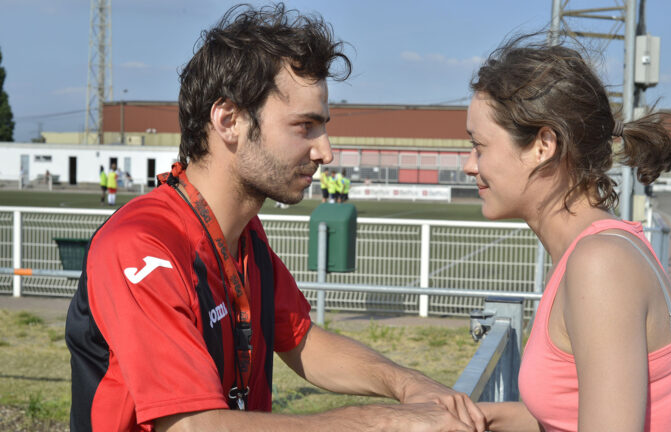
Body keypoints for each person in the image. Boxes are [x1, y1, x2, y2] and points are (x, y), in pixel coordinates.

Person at [65, 4, 483, 432]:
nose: (325, 151)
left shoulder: (243, 234)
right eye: (305, 126)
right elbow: (192, 426)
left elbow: (301, 338)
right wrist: (384, 422)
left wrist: (409, 385)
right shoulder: (141, 245)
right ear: (229, 120)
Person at [463, 36, 671, 431]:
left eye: (478, 146)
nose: (469, 165)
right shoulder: (606, 248)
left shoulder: (599, 264)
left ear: (543, 145)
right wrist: (477, 419)